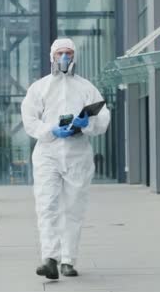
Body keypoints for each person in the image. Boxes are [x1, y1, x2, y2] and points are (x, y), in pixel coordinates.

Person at [20, 38, 111, 279]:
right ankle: (50, 258)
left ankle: (68, 260)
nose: (64, 58)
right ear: (52, 55)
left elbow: (103, 117)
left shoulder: (85, 88)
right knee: (46, 205)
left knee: (73, 207)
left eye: (68, 53)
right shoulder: (39, 88)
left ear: (74, 56)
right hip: (48, 152)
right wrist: (50, 131)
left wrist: (87, 122)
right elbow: (29, 119)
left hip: (77, 153)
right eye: (60, 53)